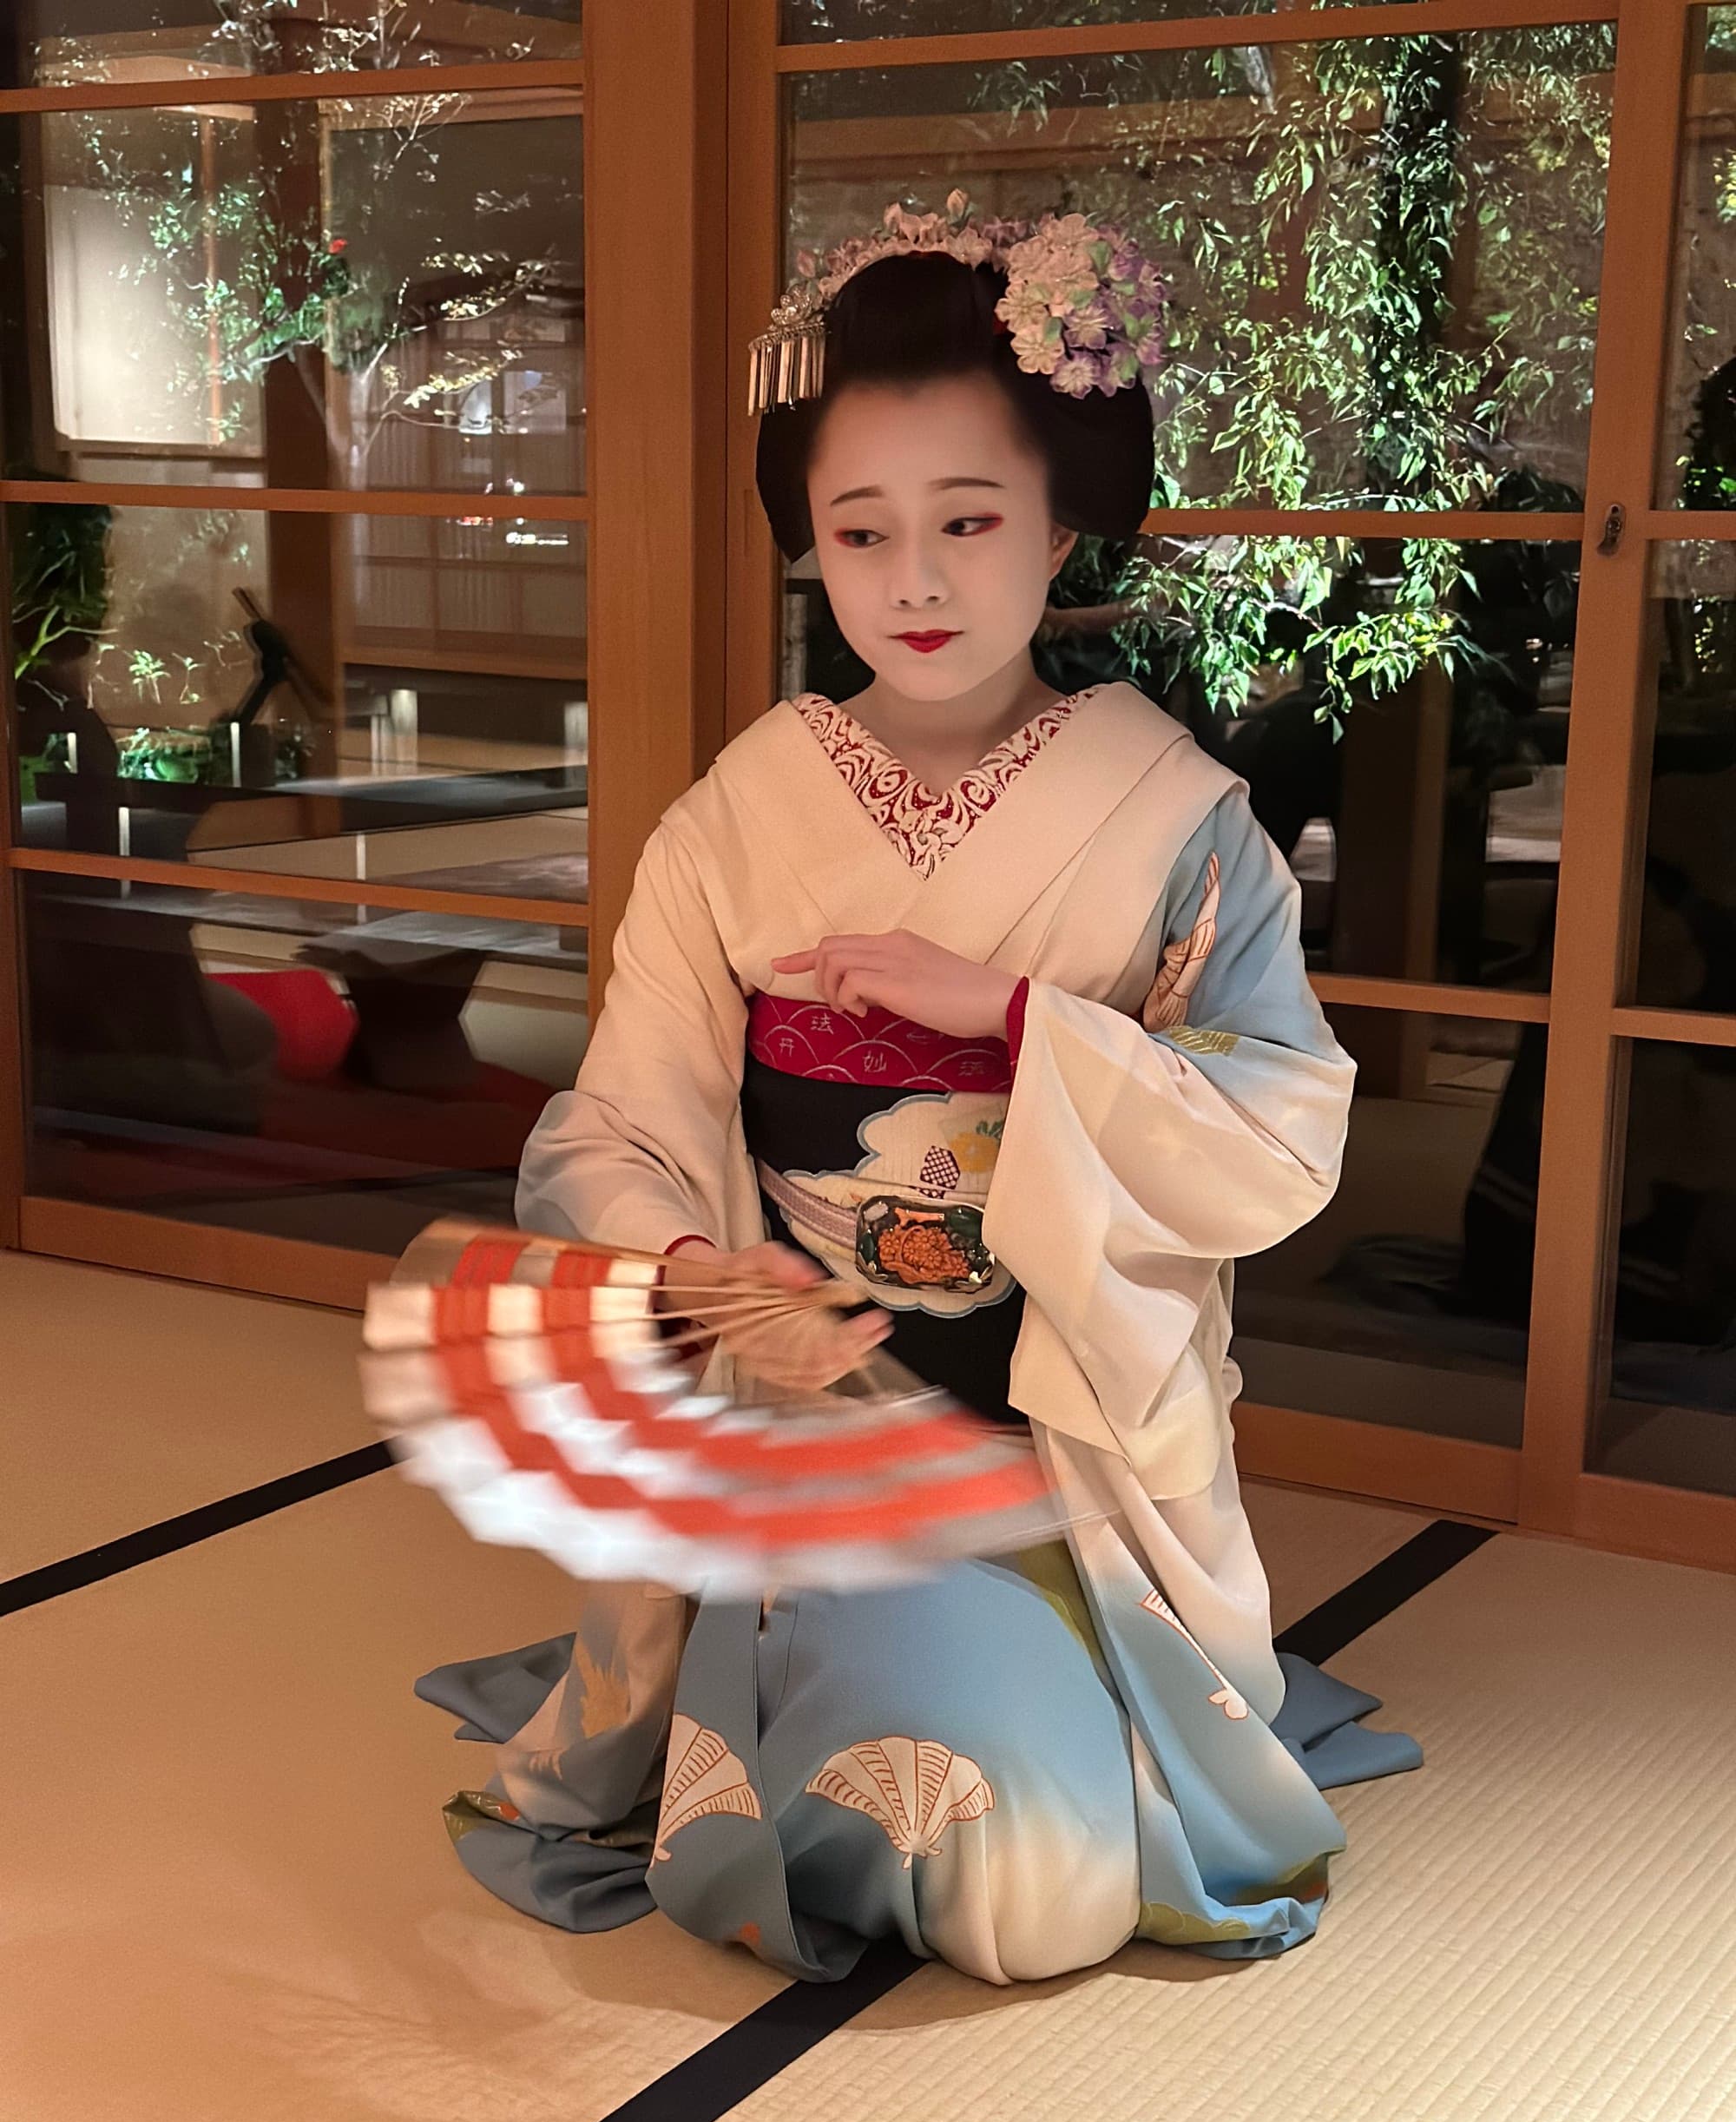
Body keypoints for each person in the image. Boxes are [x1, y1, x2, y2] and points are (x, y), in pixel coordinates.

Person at [418, 198, 1423, 1987]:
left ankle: (1045, 1675)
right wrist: (711, 1272)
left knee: (1019, 1879)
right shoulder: (738, 813)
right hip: (813, 1435)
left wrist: (1019, 1019)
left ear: (1059, 522)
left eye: (970, 521)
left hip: (1063, 1447)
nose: (920, 583)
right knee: (973, 1853)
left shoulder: (1177, 816)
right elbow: (618, 1123)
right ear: (810, 545)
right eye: (861, 532)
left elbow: (1280, 1123)